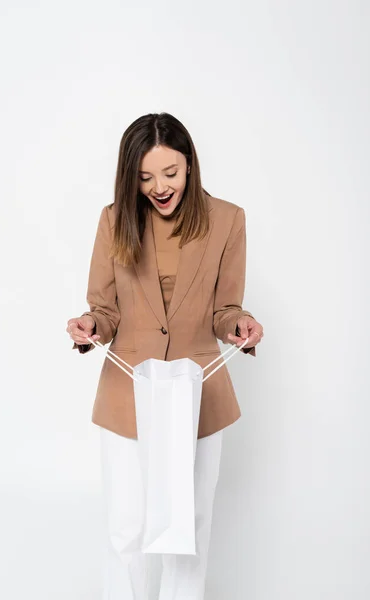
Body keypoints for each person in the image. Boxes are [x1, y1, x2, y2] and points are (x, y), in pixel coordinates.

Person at [67, 112, 264, 600]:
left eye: (170, 173)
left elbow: (225, 308)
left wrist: (238, 325)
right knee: (126, 530)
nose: (158, 187)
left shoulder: (228, 220)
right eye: (145, 177)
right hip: (127, 395)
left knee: (189, 533)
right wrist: (92, 326)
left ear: (190, 165)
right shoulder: (115, 219)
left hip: (199, 395)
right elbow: (105, 309)